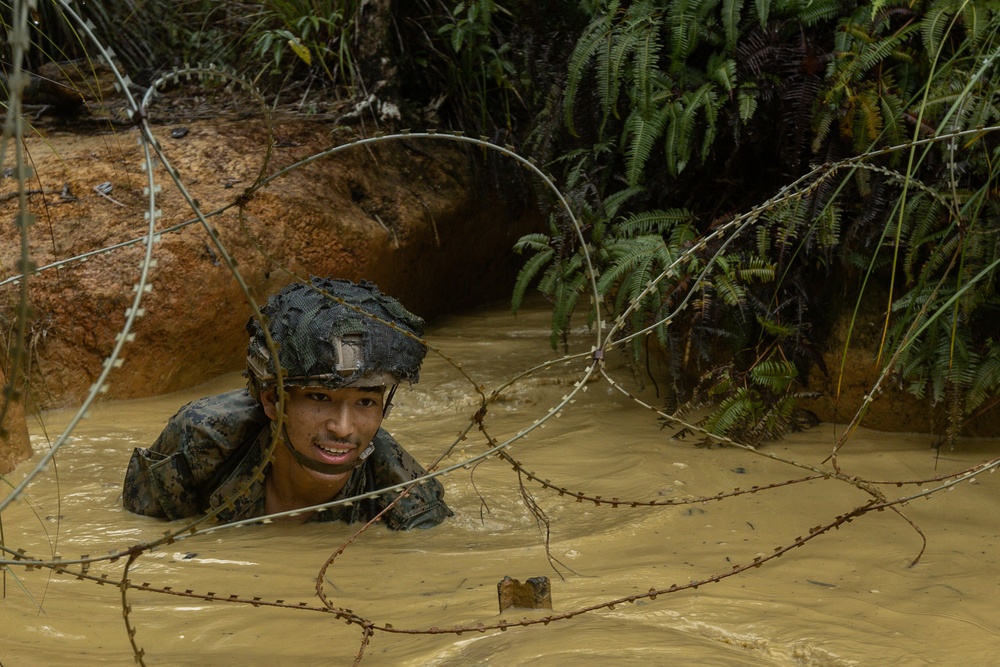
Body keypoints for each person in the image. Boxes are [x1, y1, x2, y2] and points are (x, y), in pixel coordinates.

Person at [122, 277, 452, 529]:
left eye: (365, 402)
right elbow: (140, 531)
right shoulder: (201, 442)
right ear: (272, 401)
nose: (342, 428)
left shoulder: (407, 501)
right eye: (320, 398)